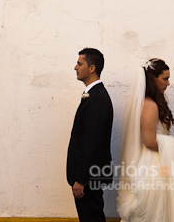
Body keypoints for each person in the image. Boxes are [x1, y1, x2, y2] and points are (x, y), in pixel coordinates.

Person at [117, 58, 174, 222]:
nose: (168, 83)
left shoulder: (152, 103)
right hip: (154, 167)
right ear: (153, 79)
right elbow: (150, 142)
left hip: (160, 163)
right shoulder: (150, 105)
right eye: (165, 79)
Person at [67, 48, 114, 222]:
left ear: (92, 68)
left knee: (92, 218)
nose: (75, 67)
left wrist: (81, 179)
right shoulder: (93, 95)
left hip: (88, 177)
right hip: (88, 175)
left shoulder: (98, 99)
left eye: (80, 63)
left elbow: (93, 142)